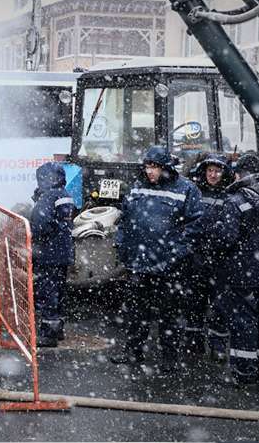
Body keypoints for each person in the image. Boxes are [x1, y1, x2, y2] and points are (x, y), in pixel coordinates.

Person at [111, 146, 203, 373]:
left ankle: (169, 358)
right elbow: (125, 220)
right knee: (136, 312)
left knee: (169, 315)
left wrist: (175, 254)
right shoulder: (137, 187)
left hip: (169, 267)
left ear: (165, 168)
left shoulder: (186, 189)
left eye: (154, 167)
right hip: (139, 264)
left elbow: (195, 227)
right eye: (147, 166)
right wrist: (122, 245)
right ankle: (133, 352)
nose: (150, 171)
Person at [211, 153, 259, 386]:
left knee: (243, 321)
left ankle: (244, 374)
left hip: (242, 273)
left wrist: (214, 237)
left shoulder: (235, 201)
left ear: (239, 174)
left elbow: (225, 238)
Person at [184, 153, 235, 357]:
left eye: (217, 171)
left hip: (220, 259)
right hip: (197, 258)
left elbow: (231, 229)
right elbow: (187, 222)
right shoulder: (195, 193)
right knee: (195, 302)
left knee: (219, 305)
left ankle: (218, 346)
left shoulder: (229, 195)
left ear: (224, 173)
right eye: (210, 171)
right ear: (204, 172)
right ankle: (193, 343)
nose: (213, 175)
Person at [29, 162, 76, 347]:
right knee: (58, 292)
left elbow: (40, 224)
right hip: (63, 253)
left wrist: (33, 238)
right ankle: (58, 329)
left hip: (48, 254)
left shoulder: (49, 197)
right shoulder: (65, 194)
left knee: (46, 292)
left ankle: (48, 334)